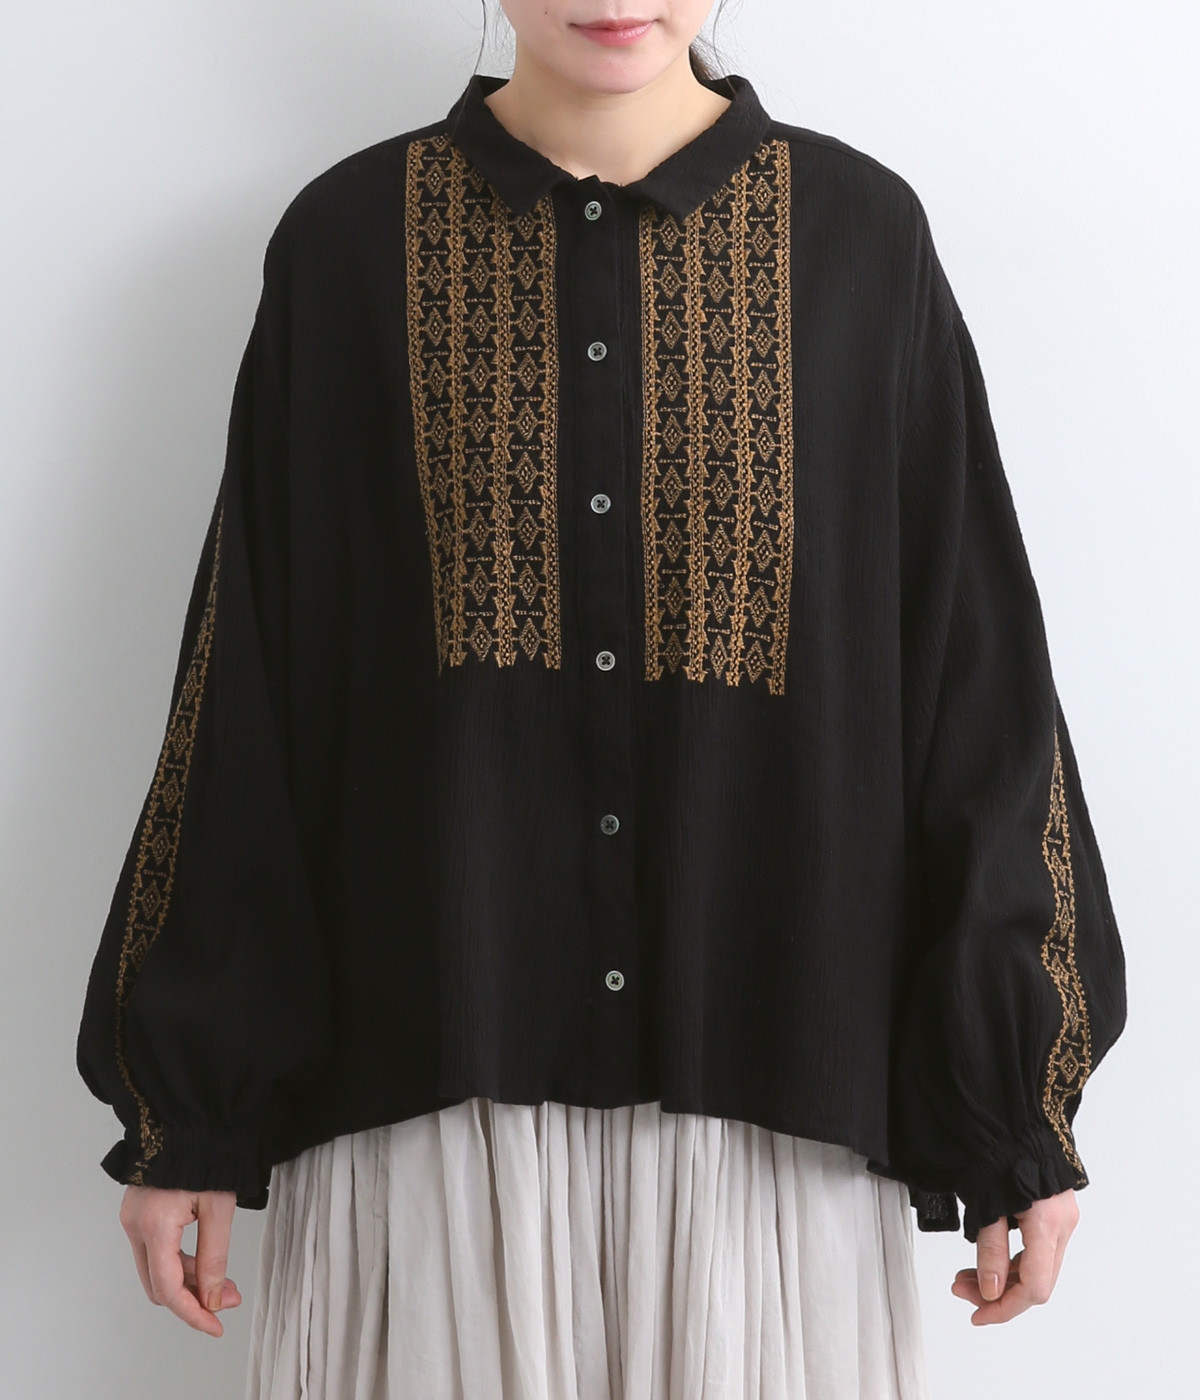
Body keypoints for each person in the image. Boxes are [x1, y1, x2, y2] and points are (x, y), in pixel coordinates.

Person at [75, 3, 1128, 1396]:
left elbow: (976, 688)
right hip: (435, 1121)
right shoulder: (349, 244)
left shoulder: (861, 240)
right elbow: (250, 685)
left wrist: (1015, 1114)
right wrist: (189, 1108)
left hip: (776, 1139)